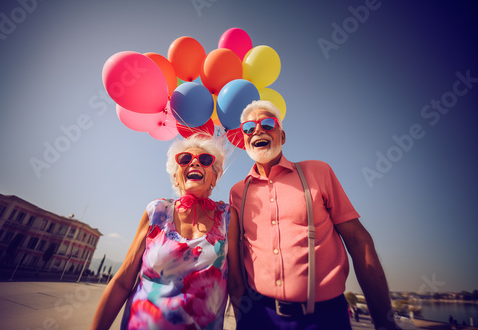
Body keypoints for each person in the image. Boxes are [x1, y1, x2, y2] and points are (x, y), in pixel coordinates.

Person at [227, 100, 399, 330]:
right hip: (260, 317)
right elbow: (236, 264)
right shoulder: (238, 192)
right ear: (244, 139)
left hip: (324, 318)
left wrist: (385, 323)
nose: (257, 130)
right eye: (249, 128)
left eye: (268, 124)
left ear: (282, 136)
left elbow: (359, 241)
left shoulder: (318, 172)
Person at [91, 134, 230, 329]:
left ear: (215, 176)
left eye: (205, 160)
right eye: (185, 159)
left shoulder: (228, 217)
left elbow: (238, 287)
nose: (195, 163)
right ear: (175, 176)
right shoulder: (157, 211)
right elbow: (123, 281)